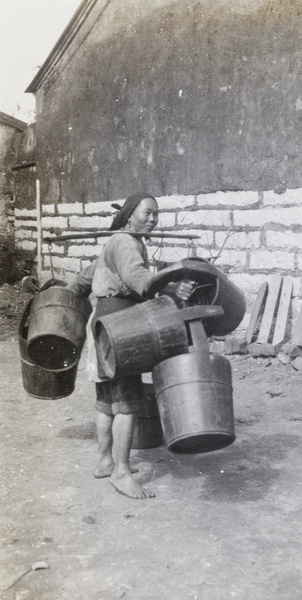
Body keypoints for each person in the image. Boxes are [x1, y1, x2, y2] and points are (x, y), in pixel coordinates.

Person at [68, 192, 194, 499]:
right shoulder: (125, 242)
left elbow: (84, 279)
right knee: (127, 400)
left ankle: (105, 461)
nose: (152, 219)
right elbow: (139, 280)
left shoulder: (116, 241)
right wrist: (174, 284)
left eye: (156, 215)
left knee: (108, 398)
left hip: (104, 321)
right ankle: (121, 472)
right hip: (120, 325)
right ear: (129, 214)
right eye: (146, 213)